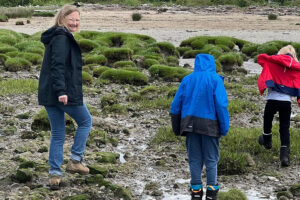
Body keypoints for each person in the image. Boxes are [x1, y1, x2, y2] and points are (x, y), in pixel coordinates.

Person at [38, 5, 92, 190]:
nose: (75, 23)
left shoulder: (57, 35)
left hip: (49, 93)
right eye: (72, 20)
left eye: (77, 20)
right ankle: (75, 160)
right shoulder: (61, 37)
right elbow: (58, 66)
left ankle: (55, 174)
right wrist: (62, 91)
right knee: (86, 121)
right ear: (62, 19)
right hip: (62, 94)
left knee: (58, 133)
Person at [170, 54, 230, 200]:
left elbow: (175, 106)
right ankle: (211, 193)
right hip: (210, 125)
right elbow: (221, 106)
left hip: (190, 124)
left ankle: (196, 192)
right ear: (212, 64)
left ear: (196, 64)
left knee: (194, 159)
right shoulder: (215, 79)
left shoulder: (187, 79)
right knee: (211, 159)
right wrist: (224, 128)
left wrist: (177, 128)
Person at [257, 45, 300, 167]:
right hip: (286, 102)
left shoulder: (273, 62)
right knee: (284, 127)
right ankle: (284, 157)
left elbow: (260, 59)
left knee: (267, 119)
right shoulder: (296, 68)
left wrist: (271, 60)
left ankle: (267, 140)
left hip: (272, 99)